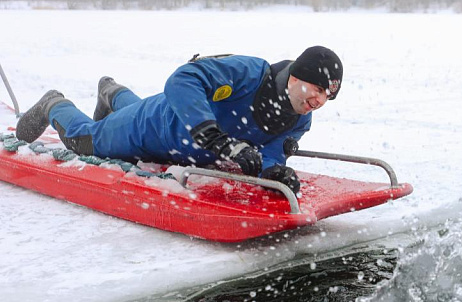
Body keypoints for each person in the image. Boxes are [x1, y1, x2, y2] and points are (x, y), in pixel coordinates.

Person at [15, 46, 343, 194]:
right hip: (153, 129)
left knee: (136, 109)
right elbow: (182, 81)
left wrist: (274, 171)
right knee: (83, 140)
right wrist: (213, 137)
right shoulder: (249, 73)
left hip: (179, 146)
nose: (318, 102)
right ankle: (54, 104)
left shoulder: (298, 119)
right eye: (316, 90)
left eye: (327, 97)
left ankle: (111, 92)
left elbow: (272, 148)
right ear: (297, 76)